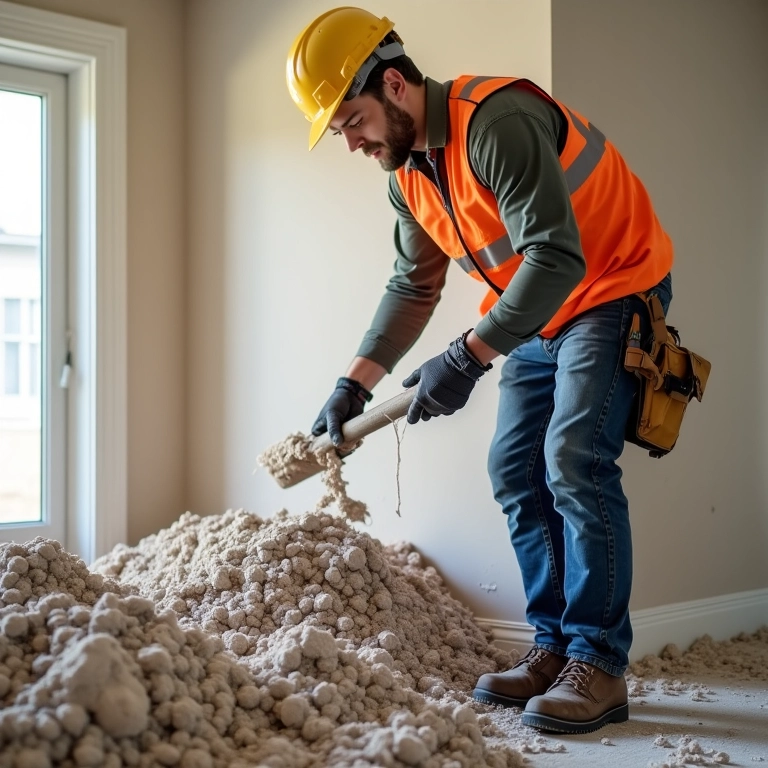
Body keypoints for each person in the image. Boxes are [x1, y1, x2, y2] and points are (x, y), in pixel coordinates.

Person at [286, 7, 673, 734]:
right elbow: (413, 284)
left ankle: (599, 662)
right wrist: (353, 384)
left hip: (609, 289)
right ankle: (554, 648)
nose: (353, 142)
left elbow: (556, 257)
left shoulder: (497, 121)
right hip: (534, 310)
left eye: (353, 121)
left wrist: (467, 356)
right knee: (514, 469)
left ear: (394, 85)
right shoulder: (408, 175)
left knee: (574, 459)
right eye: (340, 131)